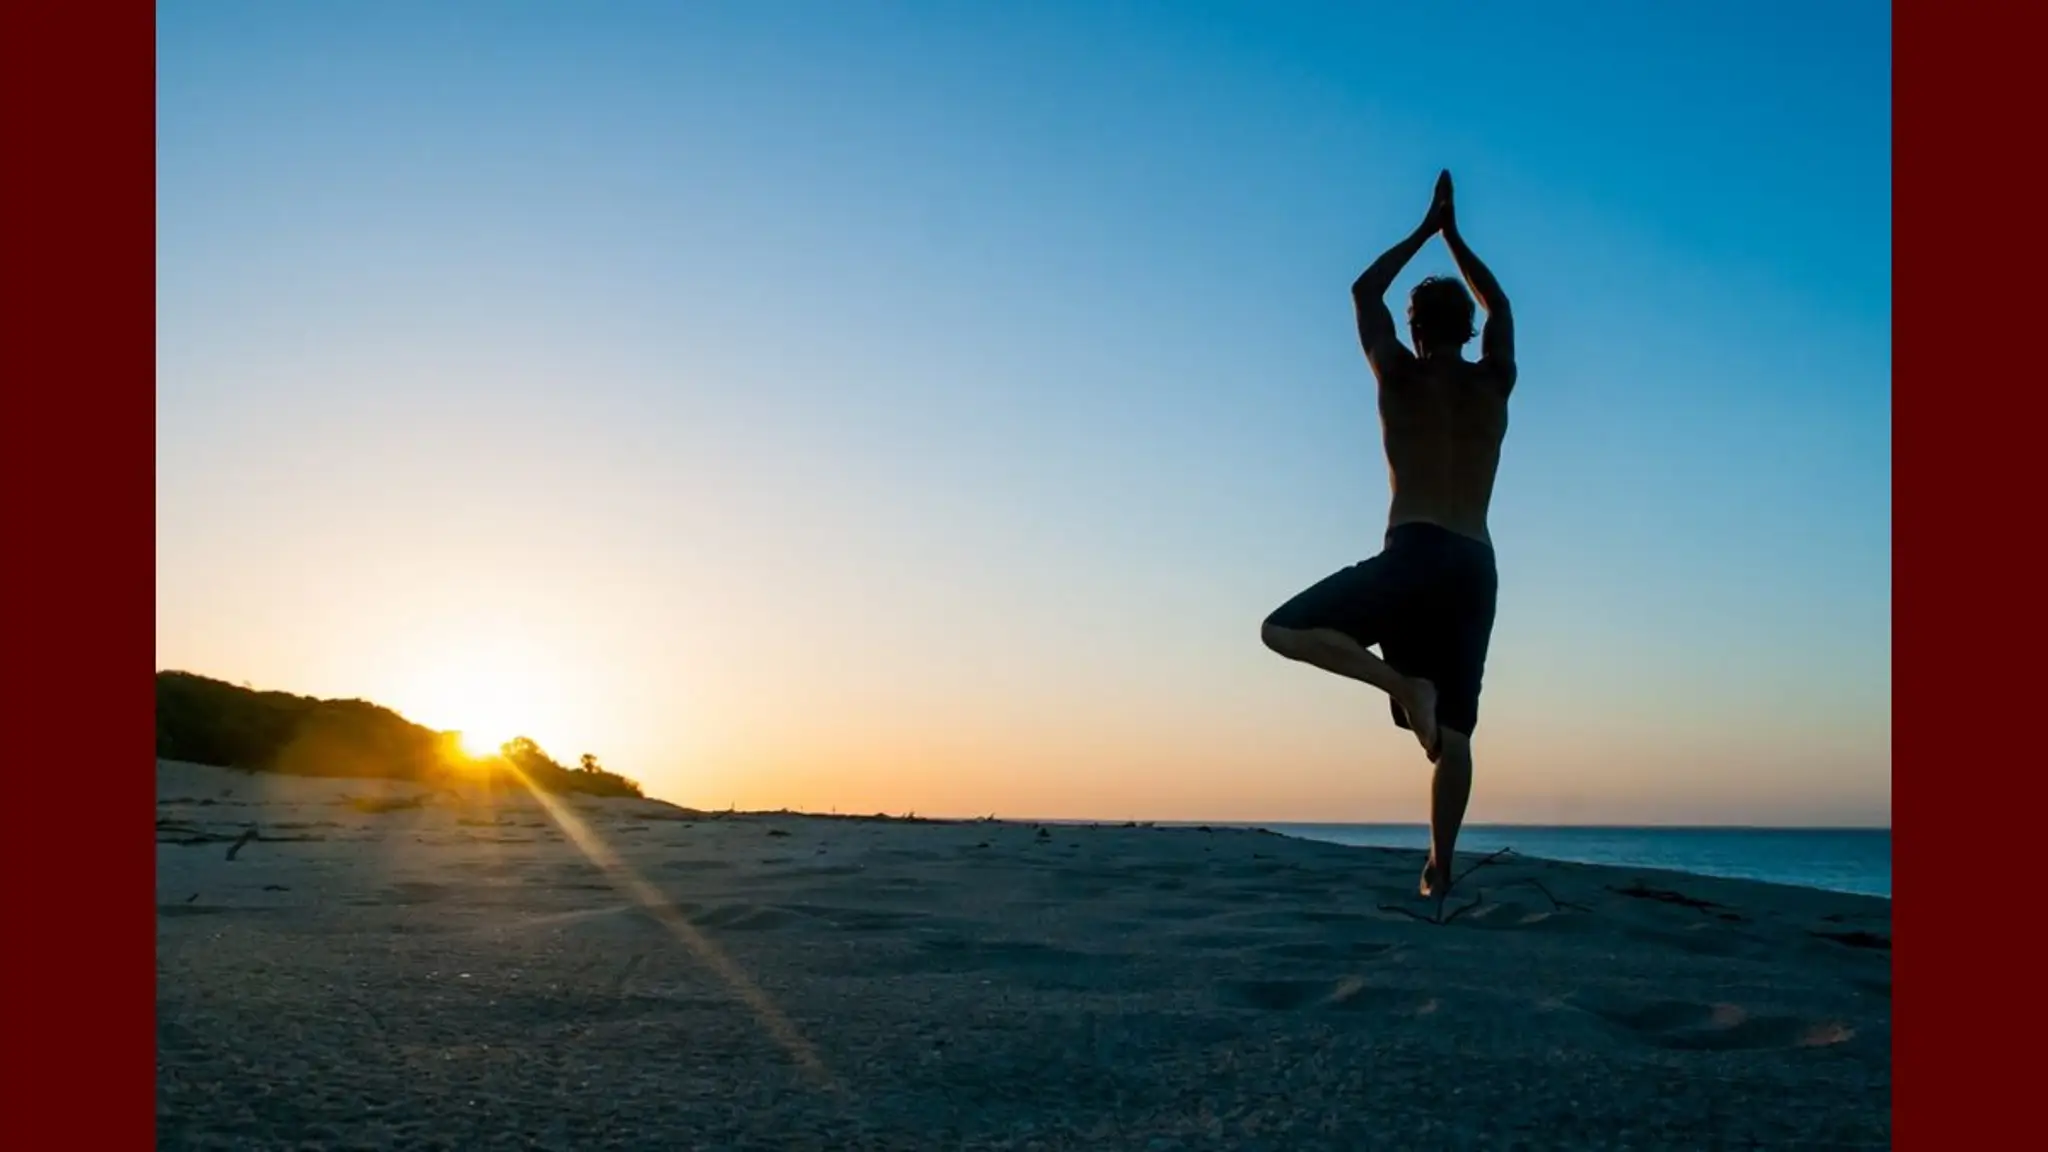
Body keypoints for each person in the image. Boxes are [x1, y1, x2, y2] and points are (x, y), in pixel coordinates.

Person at [1261, 169, 1515, 903]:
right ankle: (1441, 868)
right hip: (1475, 562)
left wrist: (1424, 230)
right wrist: (1458, 238)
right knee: (1457, 736)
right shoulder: (1494, 382)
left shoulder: (1398, 376)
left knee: (1284, 629)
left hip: (1415, 554)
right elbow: (1500, 302)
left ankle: (1402, 683)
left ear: (1413, 330)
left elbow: (1363, 293)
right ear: (1466, 331)